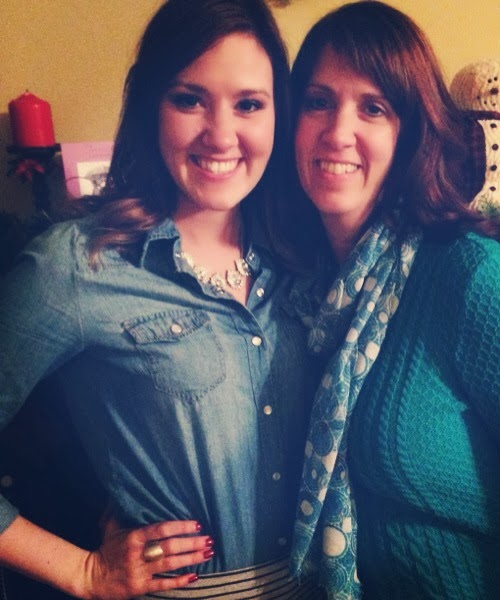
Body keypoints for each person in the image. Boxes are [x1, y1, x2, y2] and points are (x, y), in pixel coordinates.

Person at [0, 0, 323, 598]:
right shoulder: (77, 264)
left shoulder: (305, 253)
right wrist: (82, 571)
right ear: (152, 104)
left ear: (279, 113)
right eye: (190, 99)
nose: (221, 134)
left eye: (249, 104)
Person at [286, 2, 500, 599]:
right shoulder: (293, 286)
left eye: (373, 108)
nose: (338, 131)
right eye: (318, 101)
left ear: (409, 133)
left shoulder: (468, 276)